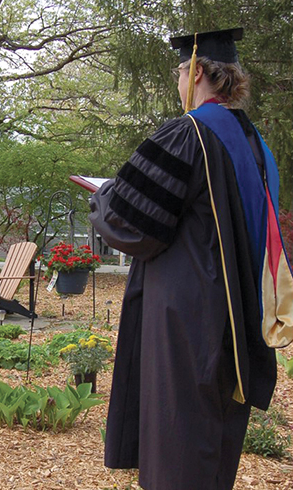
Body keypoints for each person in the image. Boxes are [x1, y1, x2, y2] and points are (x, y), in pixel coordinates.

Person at [89, 28, 293, 490]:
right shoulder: (253, 142)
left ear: (198, 71)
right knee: (212, 444)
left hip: (188, 321)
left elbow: (131, 221)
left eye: (180, 71)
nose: (178, 81)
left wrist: (102, 196)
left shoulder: (191, 133)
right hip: (235, 322)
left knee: (180, 444)